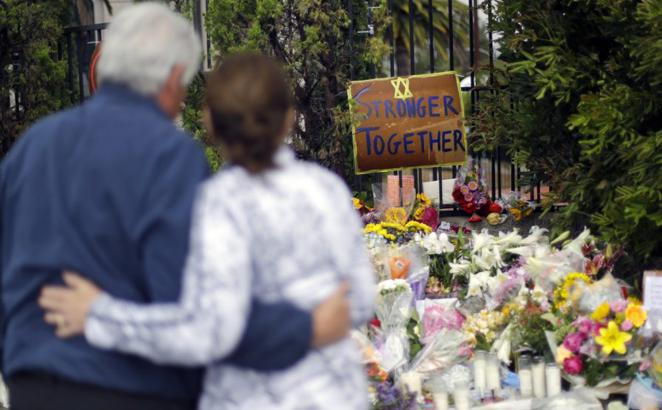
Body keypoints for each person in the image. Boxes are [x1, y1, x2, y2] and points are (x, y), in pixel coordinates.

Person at [0, 4, 352, 410]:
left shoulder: (32, 148)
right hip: (133, 389)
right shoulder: (168, 156)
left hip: (33, 386)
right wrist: (305, 327)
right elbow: (197, 305)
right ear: (171, 80)